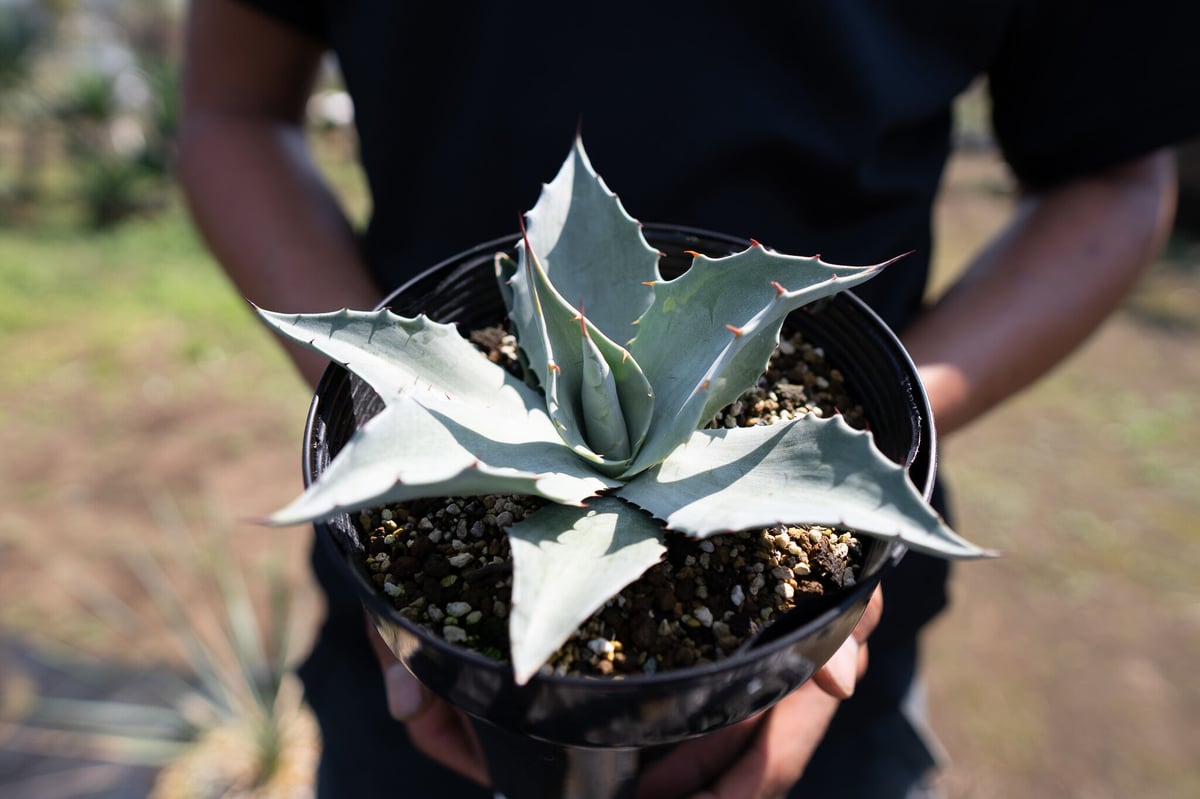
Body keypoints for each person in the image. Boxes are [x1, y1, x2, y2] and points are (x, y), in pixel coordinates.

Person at [176, 1, 1198, 796]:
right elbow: (232, 107)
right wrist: (390, 415)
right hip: (417, 651)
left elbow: (1112, 174)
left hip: (835, 690)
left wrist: (879, 445)